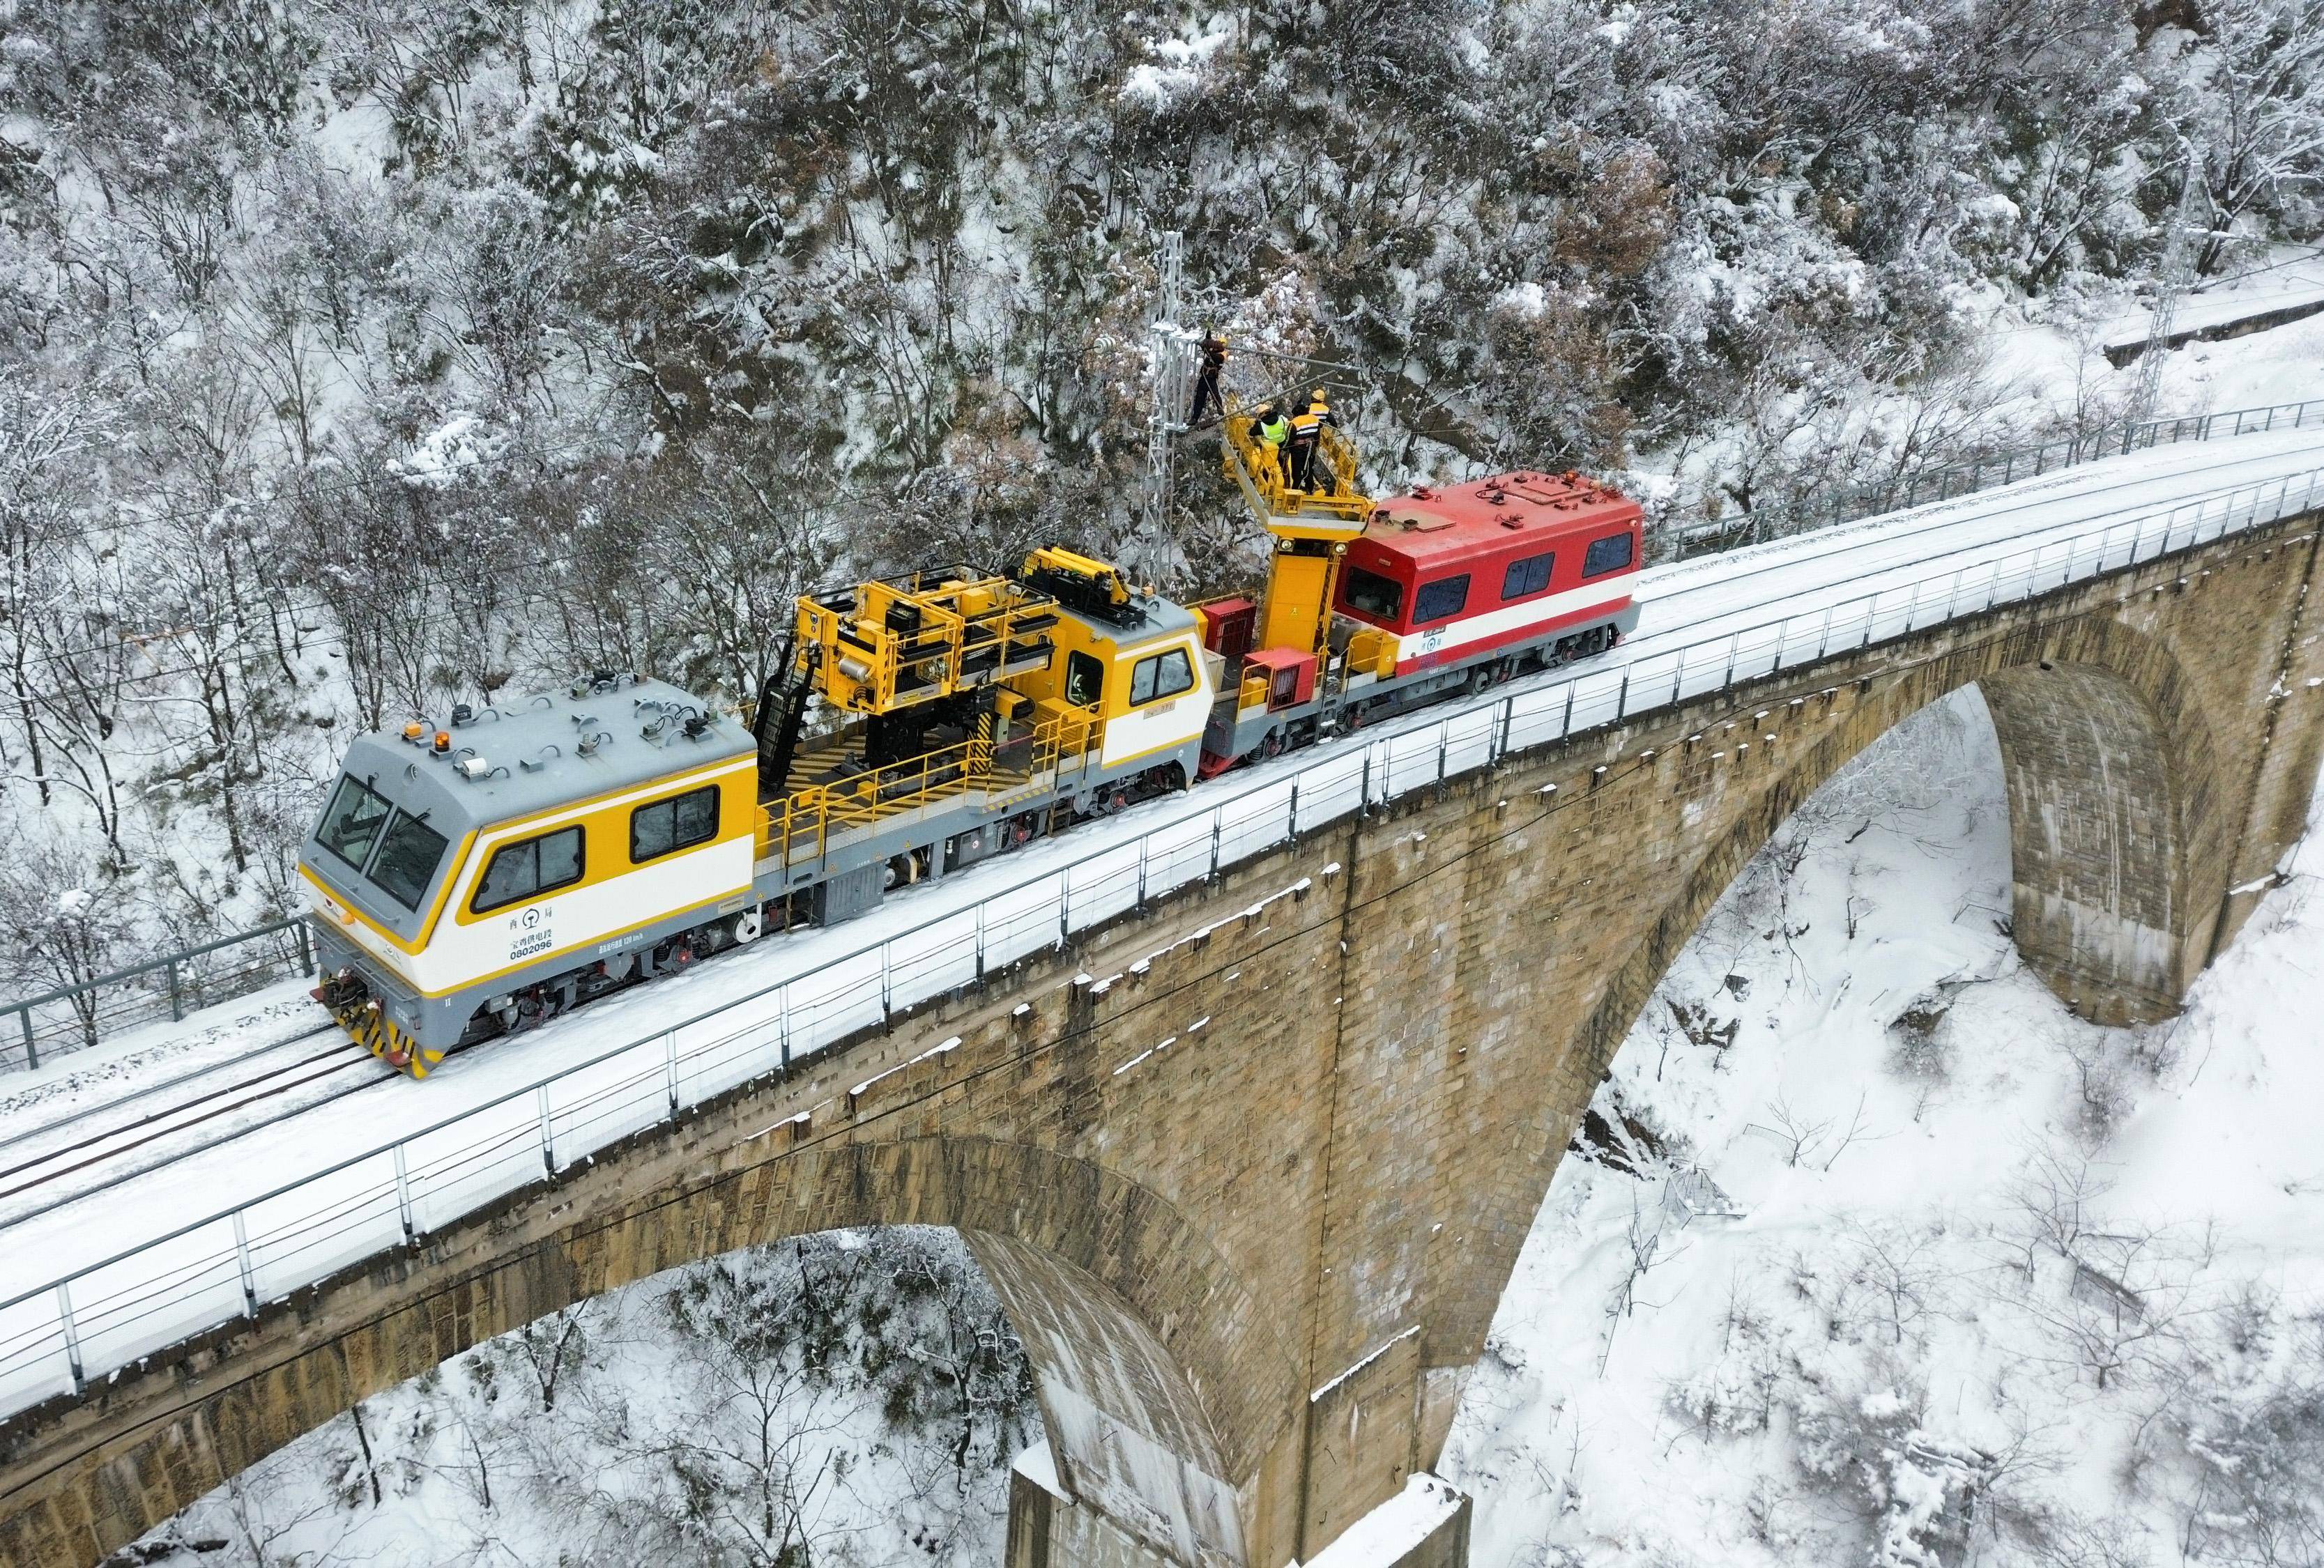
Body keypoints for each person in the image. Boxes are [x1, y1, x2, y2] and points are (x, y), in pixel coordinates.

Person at [1286, 387, 1336, 492]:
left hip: (1298, 446)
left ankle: (1296, 488)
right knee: (1308, 466)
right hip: (1311, 444)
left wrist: (1286, 449)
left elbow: (1290, 438)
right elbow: (1334, 424)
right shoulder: (1323, 412)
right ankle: (1310, 486)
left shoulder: (1304, 413)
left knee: (1297, 468)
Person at [1186, 334, 1227, 427]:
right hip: (1204, 378)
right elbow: (1207, 345)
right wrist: (1208, 337)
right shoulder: (1211, 350)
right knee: (1199, 398)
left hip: (1211, 379)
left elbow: (1215, 358)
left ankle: (1220, 408)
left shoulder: (1222, 355)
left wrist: (1207, 346)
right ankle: (1195, 418)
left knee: (1215, 394)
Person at [1253, 400, 1290, 490]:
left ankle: (1266, 484)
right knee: (1284, 465)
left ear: (1262, 414)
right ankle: (1287, 483)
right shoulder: (1281, 419)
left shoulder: (1262, 425)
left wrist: (1257, 423)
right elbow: (1288, 426)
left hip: (1269, 448)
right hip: (1281, 445)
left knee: (1267, 466)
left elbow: (1252, 432)